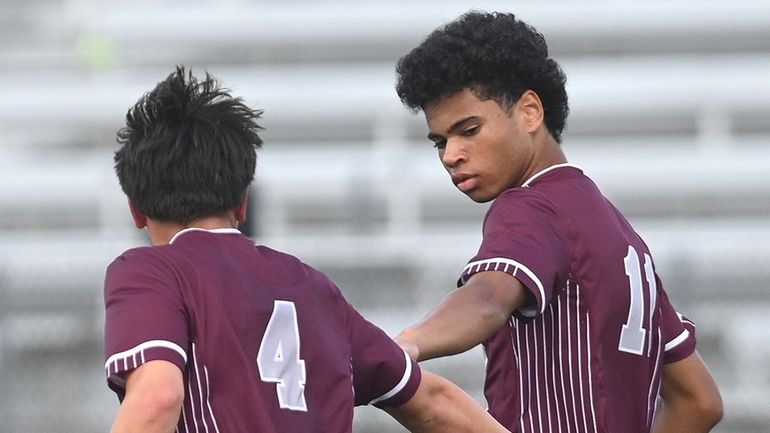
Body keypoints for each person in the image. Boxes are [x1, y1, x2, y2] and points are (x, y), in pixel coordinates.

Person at [103, 66, 509, 433]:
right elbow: (433, 402)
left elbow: (158, 396)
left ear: (136, 210)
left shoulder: (151, 272)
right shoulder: (312, 288)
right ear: (243, 201)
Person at [393, 11, 723, 433]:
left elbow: (487, 300)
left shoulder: (532, 206)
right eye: (440, 141)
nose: (450, 155)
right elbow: (700, 401)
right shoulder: (618, 233)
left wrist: (409, 341)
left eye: (469, 130)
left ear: (530, 111)